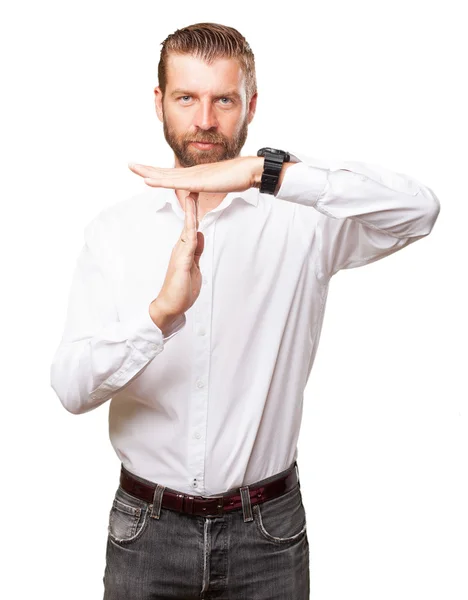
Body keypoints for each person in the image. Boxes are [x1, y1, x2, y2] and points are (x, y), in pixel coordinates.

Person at [50, 22, 441, 600]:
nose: (205, 120)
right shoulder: (114, 233)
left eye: (223, 100)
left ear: (250, 105)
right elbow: (71, 389)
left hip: (268, 534)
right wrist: (158, 315)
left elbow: (418, 211)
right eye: (186, 97)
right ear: (159, 102)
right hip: (145, 534)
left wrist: (270, 172)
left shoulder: (304, 221)